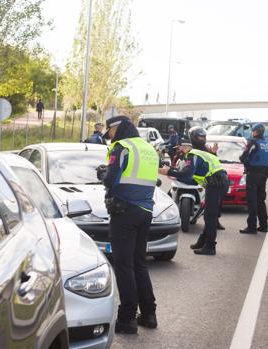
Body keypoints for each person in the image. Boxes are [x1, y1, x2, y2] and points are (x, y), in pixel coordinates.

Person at [96, 116, 159, 334]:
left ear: (118, 128)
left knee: (124, 266)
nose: (109, 137)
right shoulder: (148, 148)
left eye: (109, 132)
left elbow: (110, 180)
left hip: (124, 212)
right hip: (146, 211)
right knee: (139, 263)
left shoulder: (122, 147)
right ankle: (149, 313)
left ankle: (127, 319)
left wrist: (103, 173)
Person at [159, 127, 229, 255]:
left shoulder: (194, 154)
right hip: (220, 182)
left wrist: (167, 172)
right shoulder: (206, 153)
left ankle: (210, 247)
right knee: (209, 215)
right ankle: (202, 241)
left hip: (215, 183)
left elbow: (187, 174)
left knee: (210, 217)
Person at [239, 123, 268, 234]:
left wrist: (243, 159)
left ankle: (251, 227)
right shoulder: (267, 143)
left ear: (256, 132)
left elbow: (245, 156)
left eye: (253, 131)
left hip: (253, 174)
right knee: (260, 200)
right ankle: (264, 225)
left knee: (252, 200)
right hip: (264, 174)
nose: (252, 132)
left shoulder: (253, 142)